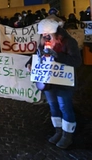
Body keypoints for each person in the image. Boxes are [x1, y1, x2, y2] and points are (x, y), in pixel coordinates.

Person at [26, 18, 82, 149]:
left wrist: (57, 55)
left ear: (55, 33)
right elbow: (36, 54)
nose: (45, 36)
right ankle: (58, 131)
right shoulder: (43, 42)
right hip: (49, 82)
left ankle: (67, 136)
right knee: (53, 107)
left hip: (64, 83)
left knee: (65, 107)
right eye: (43, 34)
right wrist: (29, 63)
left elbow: (76, 61)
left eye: (47, 34)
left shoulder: (69, 42)